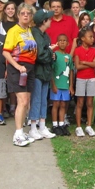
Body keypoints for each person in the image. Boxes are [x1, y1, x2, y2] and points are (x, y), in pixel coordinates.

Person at [4, 3, 38, 147]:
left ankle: (22, 131)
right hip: (18, 68)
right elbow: (6, 51)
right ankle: (17, 134)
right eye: (23, 13)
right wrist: (17, 66)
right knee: (22, 100)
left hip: (29, 68)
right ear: (18, 15)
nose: (26, 16)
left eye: (28, 14)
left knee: (27, 101)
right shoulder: (14, 31)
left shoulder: (29, 30)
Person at [29, 9, 56, 139]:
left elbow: (47, 53)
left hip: (45, 71)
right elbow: (40, 55)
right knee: (36, 99)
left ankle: (42, 125)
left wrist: (51, 54)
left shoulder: (45, 34)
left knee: (44, 99)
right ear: (43, 21)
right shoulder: (35, 33)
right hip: (37, 71)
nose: (51, 20)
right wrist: (50, 53)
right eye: (49, 19)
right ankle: (33, 127)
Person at [74, 27, 95, 137]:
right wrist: (90, 63)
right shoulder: (77, 50)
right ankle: (79, 127)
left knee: (90, 102)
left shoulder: (94, 50)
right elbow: (77, 66)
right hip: (80, 78)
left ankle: (89, 125)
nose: (92, 39)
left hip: (91, 78)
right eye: (90, 37)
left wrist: (84, 62)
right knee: (80, 102)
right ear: (83, 38)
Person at [50, 34, 73, 135]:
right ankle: (55, 125)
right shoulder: (55, 55)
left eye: (64, 40)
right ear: (57, 43)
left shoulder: (69, 57)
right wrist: (53, 85)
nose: (62, 42)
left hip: (65, 85)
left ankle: (61, 124)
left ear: (68, 43)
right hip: (57, 84)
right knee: (56, 104)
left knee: (63, 104)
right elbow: (51, 70)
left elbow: (71, 71)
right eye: (60, 40)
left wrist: (71, 86)